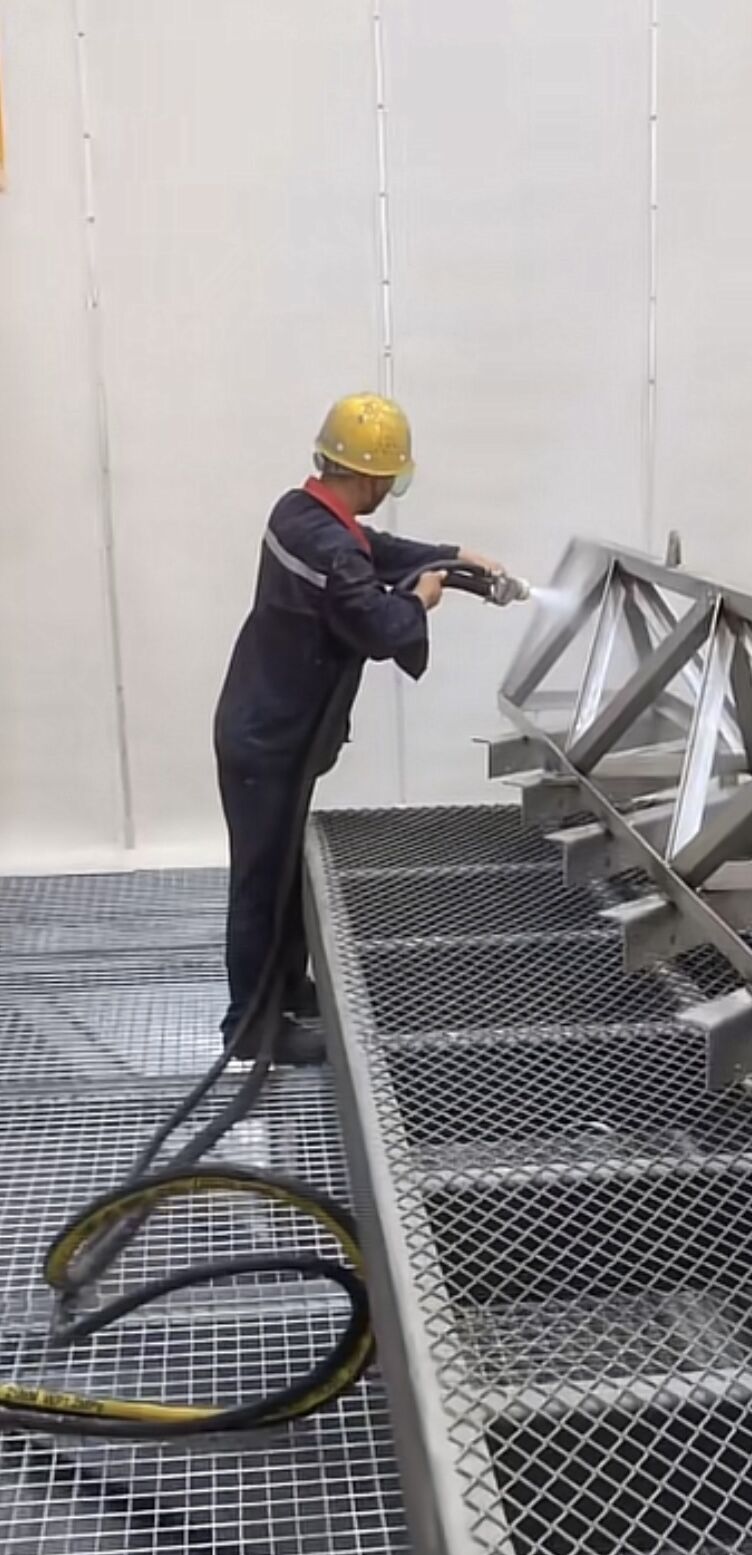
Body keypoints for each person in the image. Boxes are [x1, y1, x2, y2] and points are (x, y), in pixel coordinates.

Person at [213, 393, 500, 1066]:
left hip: (268, 727)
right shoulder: (332, 548)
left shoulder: (298, 512)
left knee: (281, 873)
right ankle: (250, 1027)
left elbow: (374, 551)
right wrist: (421, 597)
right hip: (269, 741)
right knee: (261, 882)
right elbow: (379, 625)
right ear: (371, 477)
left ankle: (286, 988)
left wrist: (456, 558)